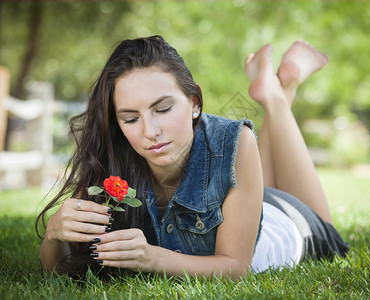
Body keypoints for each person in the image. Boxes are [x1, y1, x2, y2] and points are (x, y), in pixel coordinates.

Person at [36, 35, 349, 279]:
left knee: (331, 233)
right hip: (246, 205)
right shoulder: (110, 158)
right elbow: (60, 268)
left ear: (195, 102)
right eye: (131, 119)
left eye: (163, 109)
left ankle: (277, 95)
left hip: (285, 225)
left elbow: (236, 269)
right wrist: (53, 235)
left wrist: (150, 257)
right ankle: (277, 86)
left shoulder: (232, 140)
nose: (150, 131)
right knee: (244, 172)